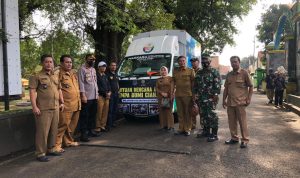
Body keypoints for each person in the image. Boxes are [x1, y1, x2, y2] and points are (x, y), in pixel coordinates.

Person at [29, 54, 64, 162]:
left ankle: (51, 148)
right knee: (42, 132)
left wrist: (62, 102)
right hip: (43, 108)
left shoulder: (55, 75)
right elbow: (32, 91)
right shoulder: (36, 75)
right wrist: (34, 107)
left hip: (55, 107)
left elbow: (59, 89)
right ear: (42, 63)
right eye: (46, 62)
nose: (49, 64)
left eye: (51, 62)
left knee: (54, 130)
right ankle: (40, 153)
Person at [222, 56, 253, 148]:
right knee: (231, 122)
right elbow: (226, 88)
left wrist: (249, 98)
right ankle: (234, 138)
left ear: (239, 62)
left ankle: (245, 140)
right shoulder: (229, 74)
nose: (233, 64)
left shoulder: (244, 73)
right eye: (232, 62)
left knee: (242, 122)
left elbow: (251, 86)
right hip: (230, 103)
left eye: (235, 62)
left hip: (240, 103)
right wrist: (224, 100)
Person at [55, 55, 81, 153]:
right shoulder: (58, 74)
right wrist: (61, 102)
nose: (69, 64)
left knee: (71, 126)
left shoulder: (72, 73)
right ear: (61, 63)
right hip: (66, 105)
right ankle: (56, 145)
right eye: (67, 62)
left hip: (76, 104)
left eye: (70, 62)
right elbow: (57, 89)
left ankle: (68, 141)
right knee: (62, 125)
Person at [193, 55, 221, 142]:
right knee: (203, 115)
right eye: (203, 60)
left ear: (210, 61)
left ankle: (214, 134)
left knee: (212, 115)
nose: (204, 62)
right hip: (201, 98)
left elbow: (217, 85)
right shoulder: (199, 72)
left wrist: (215, 95)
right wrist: (195, 95)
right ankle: (206, 131)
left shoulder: (214, 71)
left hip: (211, 98)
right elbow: (195, 85)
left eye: (206, 60)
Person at [78, 54, 98, 142]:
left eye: (93, 59)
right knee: (84, 116)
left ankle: (91, 130)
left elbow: (95, 82)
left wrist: (96, 94)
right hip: (86, 97)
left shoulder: (93, 69)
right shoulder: (82, 69)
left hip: (94, 96)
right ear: (86, 59)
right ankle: (83, 134)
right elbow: (81, 83)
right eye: (90, 59)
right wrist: (83, 95)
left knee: (92, 115)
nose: (92, 61)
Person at [173, 56, 195, 136]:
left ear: (185, 61)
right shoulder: (175, 71)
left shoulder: (190, 70)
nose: (182, 62)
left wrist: (194, 95)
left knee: (187, 113)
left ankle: (187, 129)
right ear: (178, 62)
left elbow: (193, 84)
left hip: (187, 95)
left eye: (183, 61)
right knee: (180, 113)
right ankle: (180, 128)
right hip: (178, 95)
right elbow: (173, 83)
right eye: (180, 61)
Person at [156, 66, 175, 131]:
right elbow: (156, 88)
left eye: (165, 70)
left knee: (168, 112)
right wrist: (161, 93)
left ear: (167, 71)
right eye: (162, 70)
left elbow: (172, 87)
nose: (163, 71)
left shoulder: (170, 78)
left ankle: (170, 126)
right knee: (161, 112)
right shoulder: (158, 80)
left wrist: (168, 94)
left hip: (169, 97)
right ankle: (163, 126)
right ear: (160, 72)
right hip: (161, 98)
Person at [95, 61, 111, 133]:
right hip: (100, 96)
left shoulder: (105, 75)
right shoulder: (96, 75)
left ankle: (103, 125)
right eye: (102, 66)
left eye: (105, 66)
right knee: (99, 112)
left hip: (107, 97)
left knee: (105, 112)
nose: (104, 68)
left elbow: (108, 85)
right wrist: (105, 93)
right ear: (99, 67)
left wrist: (109, 92)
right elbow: (98, 86)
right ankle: (97, 127)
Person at [106, 61, 119, 130]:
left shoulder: (116, 74)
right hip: (111, 94)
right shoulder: (107, 75)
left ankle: (113, 122)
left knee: (115, 109)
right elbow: (107, 85)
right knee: (110, 110)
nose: (114, 66)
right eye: (112, 65)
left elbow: (117, 83)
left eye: (115, 65)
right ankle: (109, 125)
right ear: (109, 66)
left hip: (116, 93)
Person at [190, 57, 201, 130]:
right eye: (192, 62)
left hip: (200, 94)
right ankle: (192, 125)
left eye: (195, 61)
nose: (193, 63)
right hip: (191, 93)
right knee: (192, 110)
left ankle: (203, 126)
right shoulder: (190, 71)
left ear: (198, 62)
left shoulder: (201, 71)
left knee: (201, 111)